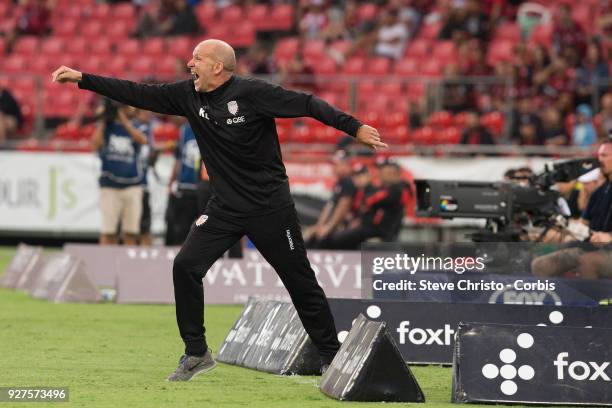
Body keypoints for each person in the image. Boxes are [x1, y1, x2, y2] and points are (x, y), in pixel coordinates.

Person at [52, 38, 386, 381]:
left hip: (269, 207)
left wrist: (354, 127)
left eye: (197, 58)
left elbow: (308, 103)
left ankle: (331, 357)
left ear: (218, 67)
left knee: (299, 280)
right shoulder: (188, 95)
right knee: (185, 266)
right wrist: (83, 78)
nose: (189, 63)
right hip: (224, 207)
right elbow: (138, 92)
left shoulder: (254, 93)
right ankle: (196, 352)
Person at [532, 141, 612, 279]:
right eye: (599, 155)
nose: (600, 160)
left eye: (605, 155)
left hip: (606, 252)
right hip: (592, 247)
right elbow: (583, 224)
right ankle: (560, 297)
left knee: (587, 261)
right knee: (540, 265)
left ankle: (595, 299)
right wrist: (564, 226)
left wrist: (609, 237)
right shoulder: (600, 191)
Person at [91, 100, 149, 245]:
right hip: (110, 185)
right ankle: (105, 263)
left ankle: (127, 265)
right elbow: (95, 145)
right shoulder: (107, 128)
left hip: (133, 184)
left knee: (131, 232)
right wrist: (103, 121)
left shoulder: (138, 126)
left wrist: (123, 121)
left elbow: (142, 140)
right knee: (108, 231)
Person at [304, 150, 355, 249]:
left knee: (321, 241)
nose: (334, 168)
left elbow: (343, 207)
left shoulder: (348, 182)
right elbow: (329, 206)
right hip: (335, 224)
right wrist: (318, 226)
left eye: (337, 164)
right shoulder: (339, 183)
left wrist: (329, 227)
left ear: (346, 165)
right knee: (310, 238)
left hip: (344, 225)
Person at [165, 121, 201, 246]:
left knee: (205, 230)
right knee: (181, 230)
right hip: (185, 186)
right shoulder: (184, 130)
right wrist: (171, 181)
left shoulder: (211, 126)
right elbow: (179, 158)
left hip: (205, 187)